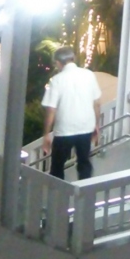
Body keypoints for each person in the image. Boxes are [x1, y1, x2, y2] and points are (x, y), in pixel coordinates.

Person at [42, 46, 101, 181]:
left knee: (57, 166)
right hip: (86, 126)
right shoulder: (89, 75)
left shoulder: (56, 80)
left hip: (64, 129)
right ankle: (85, 190)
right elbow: (97, 103)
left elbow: (51, 110)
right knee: (84, 163)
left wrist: (46, 134)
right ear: (73, 58)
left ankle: (57, 192)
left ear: (58, 63)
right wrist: (96, 124)